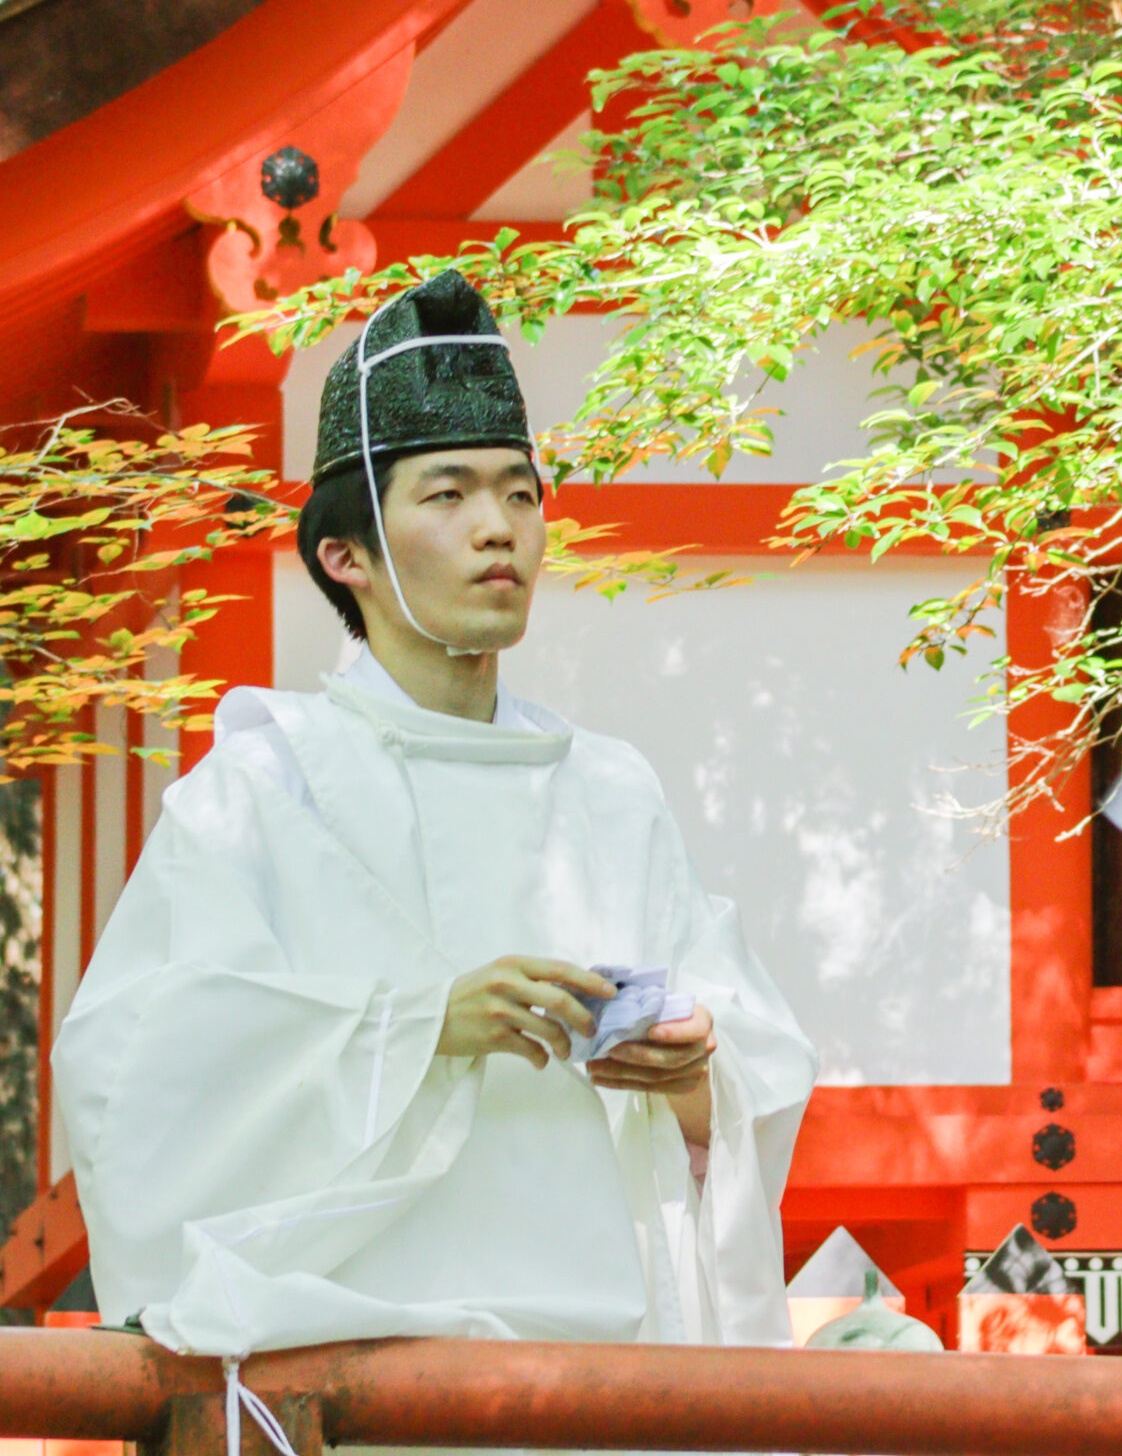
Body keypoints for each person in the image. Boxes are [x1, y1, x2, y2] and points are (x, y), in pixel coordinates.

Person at [54, 270, 817, 1357]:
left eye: (519, 493)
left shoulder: (608, 788)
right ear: (344, 555)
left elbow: (745, 1061)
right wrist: (421, 1027)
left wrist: (695, 1072)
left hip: (591, 1371)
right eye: (447, 495)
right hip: (345, 1371)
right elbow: (135, 1068)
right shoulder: (268, 785)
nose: (497, 529)